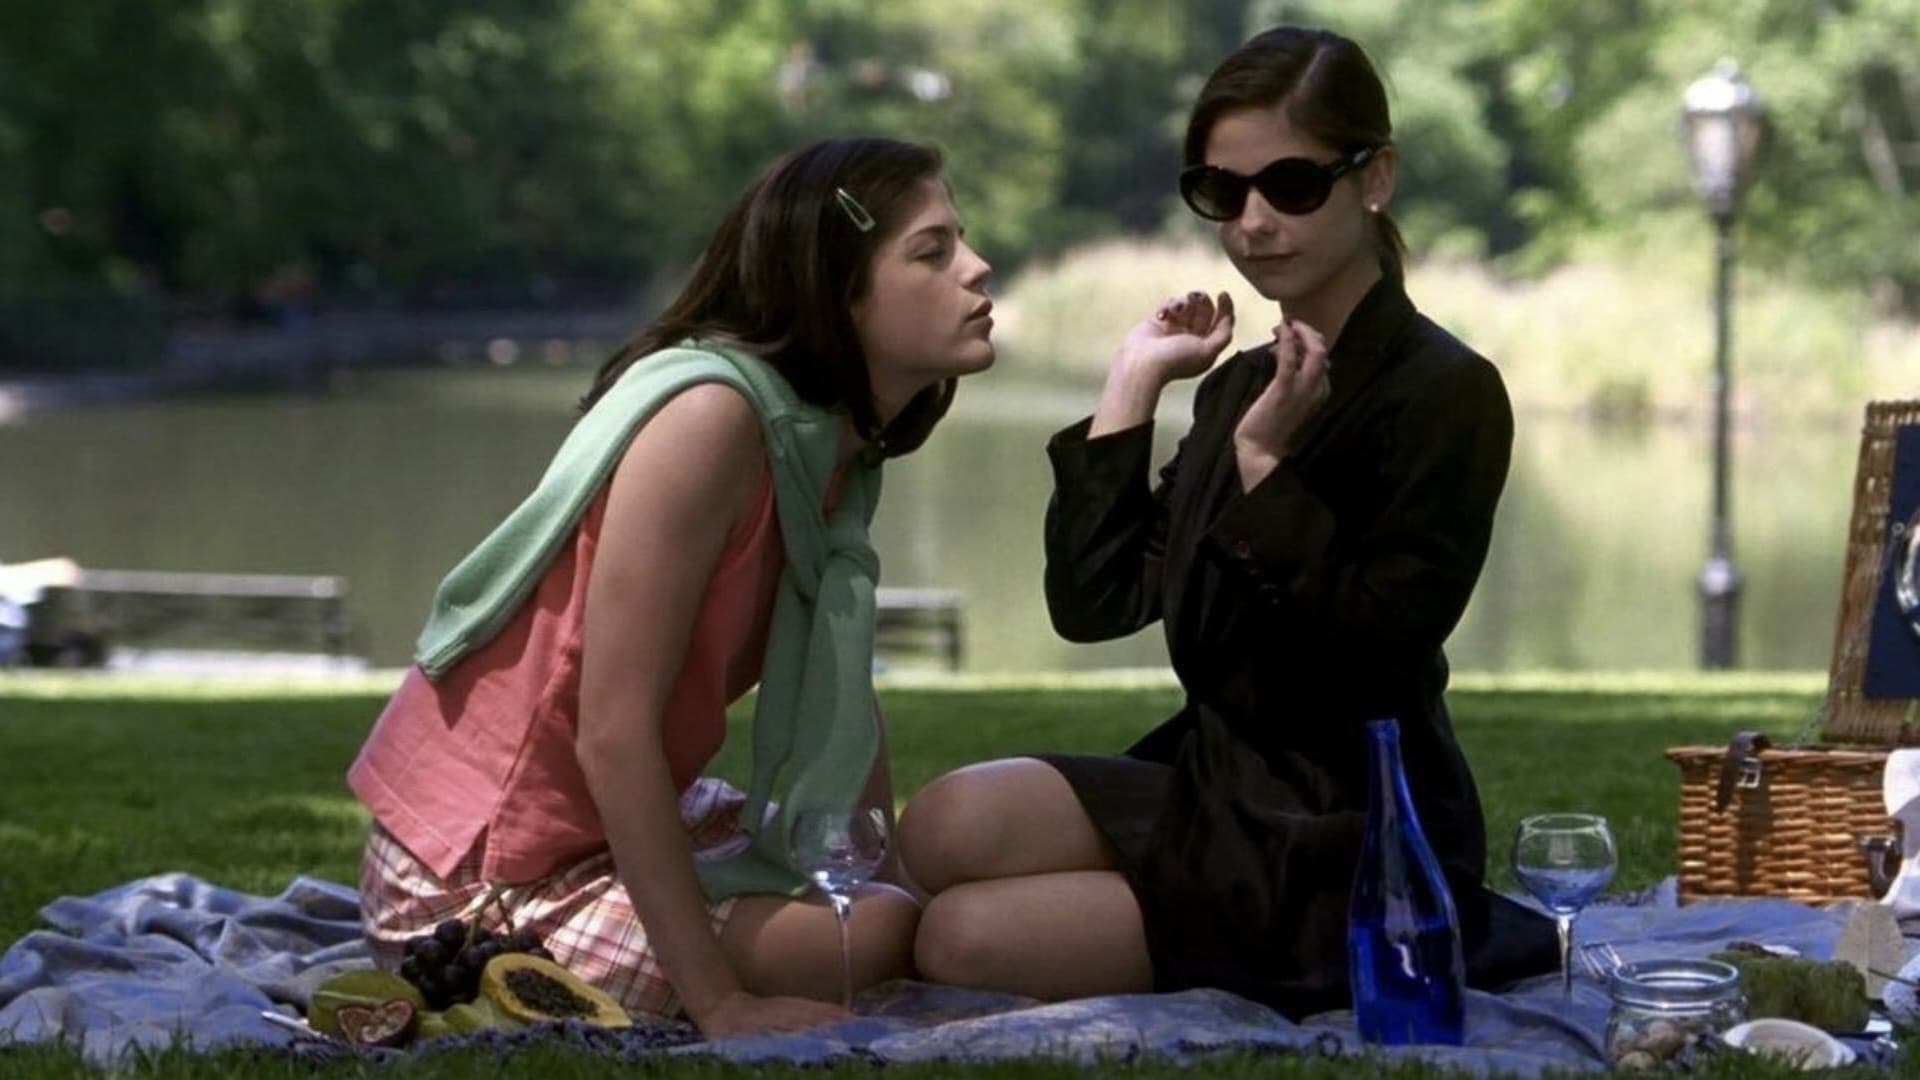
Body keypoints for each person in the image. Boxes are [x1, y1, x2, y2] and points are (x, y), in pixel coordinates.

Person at [896, 27, 1554, 1015]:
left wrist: (1265, 467)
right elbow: (1096, 601)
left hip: (1341, 824)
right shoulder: (1241, 382)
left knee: (960, 937)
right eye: (1222, 191)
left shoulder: (1447, 390)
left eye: (1291, 185)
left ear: (1375, 179)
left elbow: (1380, 650)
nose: (1253, 222)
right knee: (942, 824)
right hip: (1210, 777)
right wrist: (1134, 383)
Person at [348, 136, 996, 1037]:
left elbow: (841, 692)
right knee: (876, 934)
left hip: (608, 828)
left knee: (904, 877)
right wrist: (722, 1003)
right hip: (473, 879)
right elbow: (613, 735)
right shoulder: (710, 421)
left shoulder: (825, 447)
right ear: (834, 288)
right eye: (933, 251)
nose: (978, 267)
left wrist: (873, 865)